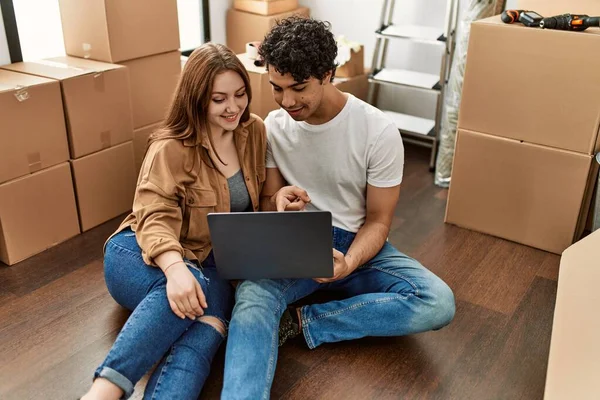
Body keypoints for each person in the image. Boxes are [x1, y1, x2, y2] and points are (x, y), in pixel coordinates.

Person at [220, 17, 456, 399]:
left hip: (356, 242)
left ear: (328, 74)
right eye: (277, 89)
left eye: (299, 88)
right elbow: (268, 200)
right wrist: (277, 204)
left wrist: (349, 263)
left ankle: (303, 322)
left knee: (437, 302)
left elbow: (379, 222)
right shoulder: (275, 127)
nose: (287, 101)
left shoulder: (376, 131)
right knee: (252, 298)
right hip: (296, 244)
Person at [81, 43, 267, 400]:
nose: (233, 107)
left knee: (207, 330)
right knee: (186, 286)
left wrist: (281, 200)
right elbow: (152, 215)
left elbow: (258, 202)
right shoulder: (171, 147)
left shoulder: (254, 131)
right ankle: (103, 393)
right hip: (140, 252)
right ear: (197, 99)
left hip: (211, 264)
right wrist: (175, 268)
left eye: (240, 94)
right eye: (219, 99)